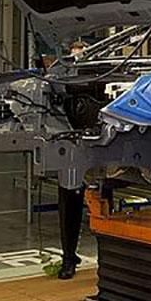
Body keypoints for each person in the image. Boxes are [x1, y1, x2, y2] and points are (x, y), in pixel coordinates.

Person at [55, 39, 90, 280]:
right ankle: (69, 257)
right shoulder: (59, 77)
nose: (78, 59)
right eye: (74, 56)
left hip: (104, 145)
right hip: (71, 147)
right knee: (69, 202)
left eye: (82, 55)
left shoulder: (104, 74)